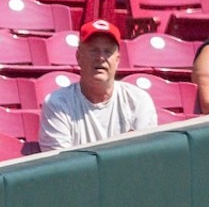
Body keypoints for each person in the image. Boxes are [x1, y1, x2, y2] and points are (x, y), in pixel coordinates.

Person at [38, 19, 157, 151]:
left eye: (108, 51)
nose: (101, 57)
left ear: (117, 59)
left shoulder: (138, 101)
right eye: (93, 50)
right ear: (78, 56)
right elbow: (61, 167)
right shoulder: (58, 105)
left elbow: (144, 159)